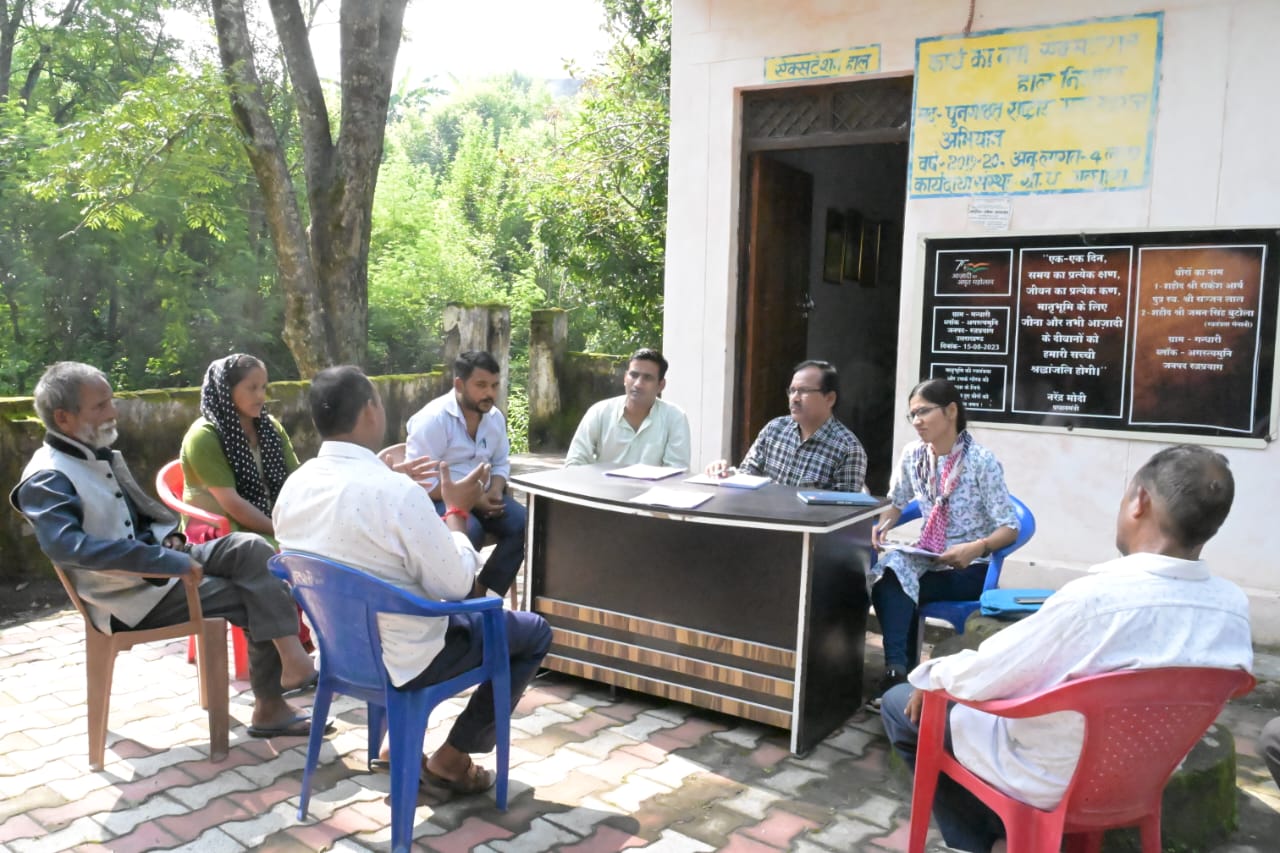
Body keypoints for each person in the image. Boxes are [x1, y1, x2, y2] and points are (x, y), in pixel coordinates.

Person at [880, 444, 1253, 853]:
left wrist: (934, 676)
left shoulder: (1093, 601)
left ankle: (971, 842)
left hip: (1046, 776)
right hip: (1144, 775)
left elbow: (991, 674)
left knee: (904, 703)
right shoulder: (1234, 608)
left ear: (1139, 502)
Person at [273, 366, 551, 793]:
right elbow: (457, 585)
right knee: (532, 633)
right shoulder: (395, 494)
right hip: (407, 658)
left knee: (395, 601)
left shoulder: (295, 486)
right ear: (370, 411)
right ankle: (453, 759)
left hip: (339, 652)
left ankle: (392, 745)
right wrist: (456, 510)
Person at [10, 362, 319, 738]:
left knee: (251, 549)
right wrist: (162, 559)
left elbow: (134, 517)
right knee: (250, 591)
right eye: (100, 406)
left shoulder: (91, 453)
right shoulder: (48, 477)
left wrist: (168, 539)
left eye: (111, 401)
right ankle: (270, 706)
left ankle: (292, 661)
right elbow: (67, 547)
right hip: (127, 598)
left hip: (157, 569)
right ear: (64, 417)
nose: (113, 412)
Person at [868, 378, 1019, 696]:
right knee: (889, 571)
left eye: (924, 412)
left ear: (951, 411)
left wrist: (977, 547)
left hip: (968, 567)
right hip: (929, 558)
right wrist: (883, 527)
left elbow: (1009, 527)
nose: (917, 421)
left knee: (898, 585)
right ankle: (900, 672)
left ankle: (901, 677)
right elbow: (896, 502)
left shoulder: (981, 462)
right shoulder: (914, 456)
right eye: (913, 415)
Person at [406, 352, 523, 598]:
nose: (489, 393)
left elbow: (501, 462)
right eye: (481, 385)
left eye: (494, 385)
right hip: (440, 499)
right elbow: (420, 482)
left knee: (528, 524)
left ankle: (484, 594)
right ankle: (462, 611)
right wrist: (470, 498)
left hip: (485, 495)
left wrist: (494, 489)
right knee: (471, 532)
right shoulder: (433, 420)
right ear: (459, 384)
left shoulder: (495, 418)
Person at [180, 354, 299, 542]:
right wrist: (283, 533)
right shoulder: (204, 436)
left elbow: (296, 481)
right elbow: (233, 505)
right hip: (221, 532)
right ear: (226, 390)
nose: (261, 396)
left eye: (263, 387)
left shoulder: (271, 428)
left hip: (273, 523)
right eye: (252, 388)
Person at [705, 359, 867, 491]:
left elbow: (845, 512)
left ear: (829, 398)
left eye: (803, 391)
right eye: (792, 391)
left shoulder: (848, 450)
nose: (794, 398)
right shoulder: (774, 429)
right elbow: (747, 475)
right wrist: (725, 473)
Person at [565, 348, 691, 469]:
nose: (638, 384)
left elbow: (676, 471)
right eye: (634, 375)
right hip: (602, 490)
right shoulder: (600, 412)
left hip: (653, 490)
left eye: (647, 378)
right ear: (625, 378)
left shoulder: (675, 418)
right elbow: (575, 462)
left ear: (661, 385)